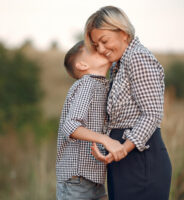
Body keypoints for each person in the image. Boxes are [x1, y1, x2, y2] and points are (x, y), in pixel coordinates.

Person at [84, 6, 172, 200]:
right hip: (122, 159)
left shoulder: (137, 57)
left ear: (123, 33)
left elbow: (152, 113)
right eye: (96, 44)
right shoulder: (119, 63)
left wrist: (123, 148)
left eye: (104, 41)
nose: (101, 49)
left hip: (141, 160)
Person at [56, 40, 127, 200]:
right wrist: (105, 140)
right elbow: (71, 126)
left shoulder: (104, 85)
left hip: (94, 178)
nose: (102, 49)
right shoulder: (87, 83)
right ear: (82, 65)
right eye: (95, 49)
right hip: (77, 177)